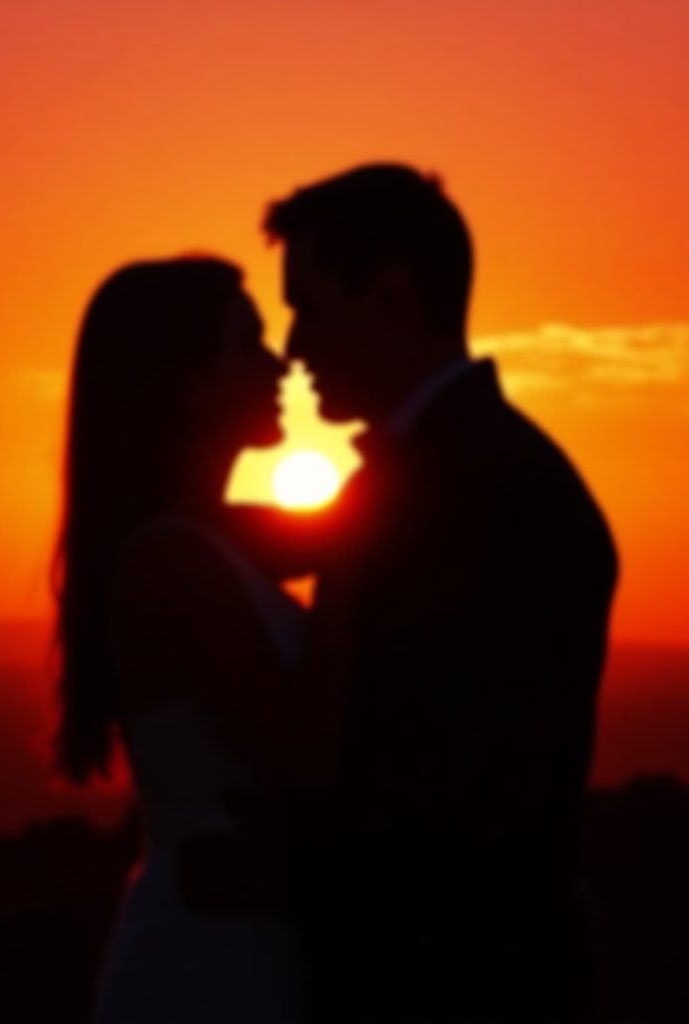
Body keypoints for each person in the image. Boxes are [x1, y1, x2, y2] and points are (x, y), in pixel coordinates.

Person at [265, 164, 619, 1022]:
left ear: (390, 296)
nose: (293, 347)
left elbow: (457, 799)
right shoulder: (439, 478)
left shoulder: (504, 495)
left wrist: (265, 865)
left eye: (309, 305)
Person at [52, 258, 303, 1023]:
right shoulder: (173, 565)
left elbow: (358, 529)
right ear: (191, 386)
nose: (282, 362)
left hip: (236, 941)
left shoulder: (205, 538)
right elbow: (303, 760)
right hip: (209, 963)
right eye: (251, 343)